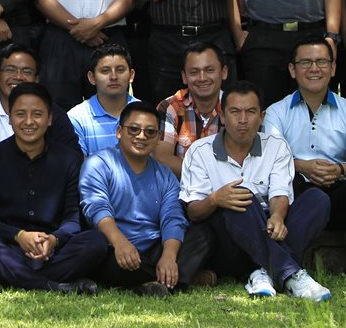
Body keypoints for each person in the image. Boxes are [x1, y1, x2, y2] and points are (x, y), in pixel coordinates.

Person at [180, 81, 332, 301]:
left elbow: (280, 192)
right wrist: (215, 199)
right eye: (235, 112)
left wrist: (278, 217)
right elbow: (193, 212)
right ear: (222, 116)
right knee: (240, 196)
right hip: (229, 242)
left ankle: (262, 272)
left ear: (261, 117)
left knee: (317, 199)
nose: (243, 120)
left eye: (250, 112)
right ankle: (290, 273)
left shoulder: (276, 145)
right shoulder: (199, 151)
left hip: (269, 229)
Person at [0, 82, 108, 293]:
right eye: (20, 114)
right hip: (9, 246)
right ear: (10, 118)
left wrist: (54, 240)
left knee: (96, 241)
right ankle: (54, 285)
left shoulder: (70, 160)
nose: (28, 122)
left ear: (50, 118)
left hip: (52, 249)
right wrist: (19, 236)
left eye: (37, 114)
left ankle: (9, 278)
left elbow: (73, 218)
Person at [264, 38, 346, 272]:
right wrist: (303, 166)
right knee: (287, 178)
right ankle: (288, 256)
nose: (314, 69)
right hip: (300, 195)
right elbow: (272, 158)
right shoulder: (276, 111)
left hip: (338, 192)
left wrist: (341, 170)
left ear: (333, 68)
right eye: (305, 62)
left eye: (321, 62)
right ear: (292, 70)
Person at [80, 102, 211, 296]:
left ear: (159, 138)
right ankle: (178, 280)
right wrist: (120, 242)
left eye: (150, 132)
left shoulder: (165, 175)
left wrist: (169, 256)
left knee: (202, 234)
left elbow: (173, 217)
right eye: (133, 130)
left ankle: (158, 279)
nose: (141, 136)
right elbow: (96, 208)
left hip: (153, 247)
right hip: (115, 247)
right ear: (119, 132)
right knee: (99, 252)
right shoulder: (98, 164)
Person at [0, 44, 79, 155]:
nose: (18, 77)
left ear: (37, 80)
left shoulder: (53, 113)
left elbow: (72, 157)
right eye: (10, 70)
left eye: (26, 72)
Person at [155, 41, 228, 176]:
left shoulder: (235, 108)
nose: (202, 78)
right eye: (194, 72)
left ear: (223, 72)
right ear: (184, 77)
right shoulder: (170, 107)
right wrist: (204, 178)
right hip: (181, 191)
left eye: (209, 70)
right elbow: (162, 158)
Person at [67, 45, 137, 157]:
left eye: (120, 70)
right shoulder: (77, 117)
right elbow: (79, 168)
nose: (113, 77)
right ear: (92, 77)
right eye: (105, 71)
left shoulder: (146, 113)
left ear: (131, 75)